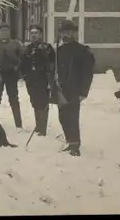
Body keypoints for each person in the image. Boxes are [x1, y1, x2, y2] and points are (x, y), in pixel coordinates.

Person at [53, 20, 95, 157]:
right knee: (63, 116)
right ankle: (70, 141)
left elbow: (87, 73)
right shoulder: (57, 51)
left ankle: (75, 146)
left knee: (72, 116)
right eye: (63, 32)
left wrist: (84, 92)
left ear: (73, 33)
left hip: (75, 89)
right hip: (61, 88)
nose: (66, 34)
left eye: (68, 31)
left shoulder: (82, 51)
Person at [20, 24, 55, 136]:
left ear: (40, 34)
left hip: (43, 79)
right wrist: (25, 76)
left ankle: (42, 128)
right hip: (31, 80)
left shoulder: (47, 47)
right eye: (32, 33)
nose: (34, 35)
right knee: (35, 102)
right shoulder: (27, 49)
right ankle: (38, 125)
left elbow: (52, 63)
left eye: (36, 33)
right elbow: (23, 63)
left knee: (43, 103)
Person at [0, 22, 23, 129]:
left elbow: (22, 58)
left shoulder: (15, 44)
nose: (4, 33)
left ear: (9, 33)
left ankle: (18, 124)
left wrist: (18, 68)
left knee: (13, 98)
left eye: (6, 31)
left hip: (11, 75)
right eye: (2, 31)